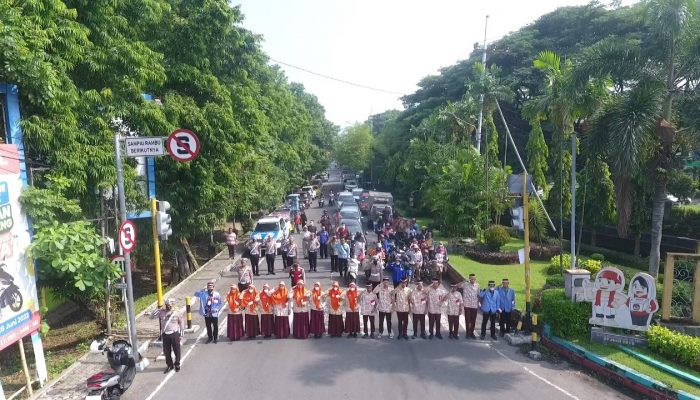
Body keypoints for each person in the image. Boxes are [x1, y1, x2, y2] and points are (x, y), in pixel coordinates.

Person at [151, 298, 184, 373]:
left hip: (174, 333)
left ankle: (177, 364)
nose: (168, 306)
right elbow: (151, 317)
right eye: (166, 305)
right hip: (165, 334)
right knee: (167, 351)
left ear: (172, 305)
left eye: (169, 305)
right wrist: (156, 309)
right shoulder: (161, 312)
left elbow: (181, 322)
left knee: (177, 350)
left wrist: (181, 334)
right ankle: (170, 365)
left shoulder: (176, 312)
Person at [458, 274, 480, 339]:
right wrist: (465, 281)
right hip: (467, 304)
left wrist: (478, 303)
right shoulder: (465, 284)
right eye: (471, 279)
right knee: (467, 319)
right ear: (469, 279)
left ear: (475, 279)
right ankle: (467, 333)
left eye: (474, 279)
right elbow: (458, 285)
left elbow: (478, 295)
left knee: (473, 320)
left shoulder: (478, 285)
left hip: (474, 305)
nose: (472, 280)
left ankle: (471, 332)